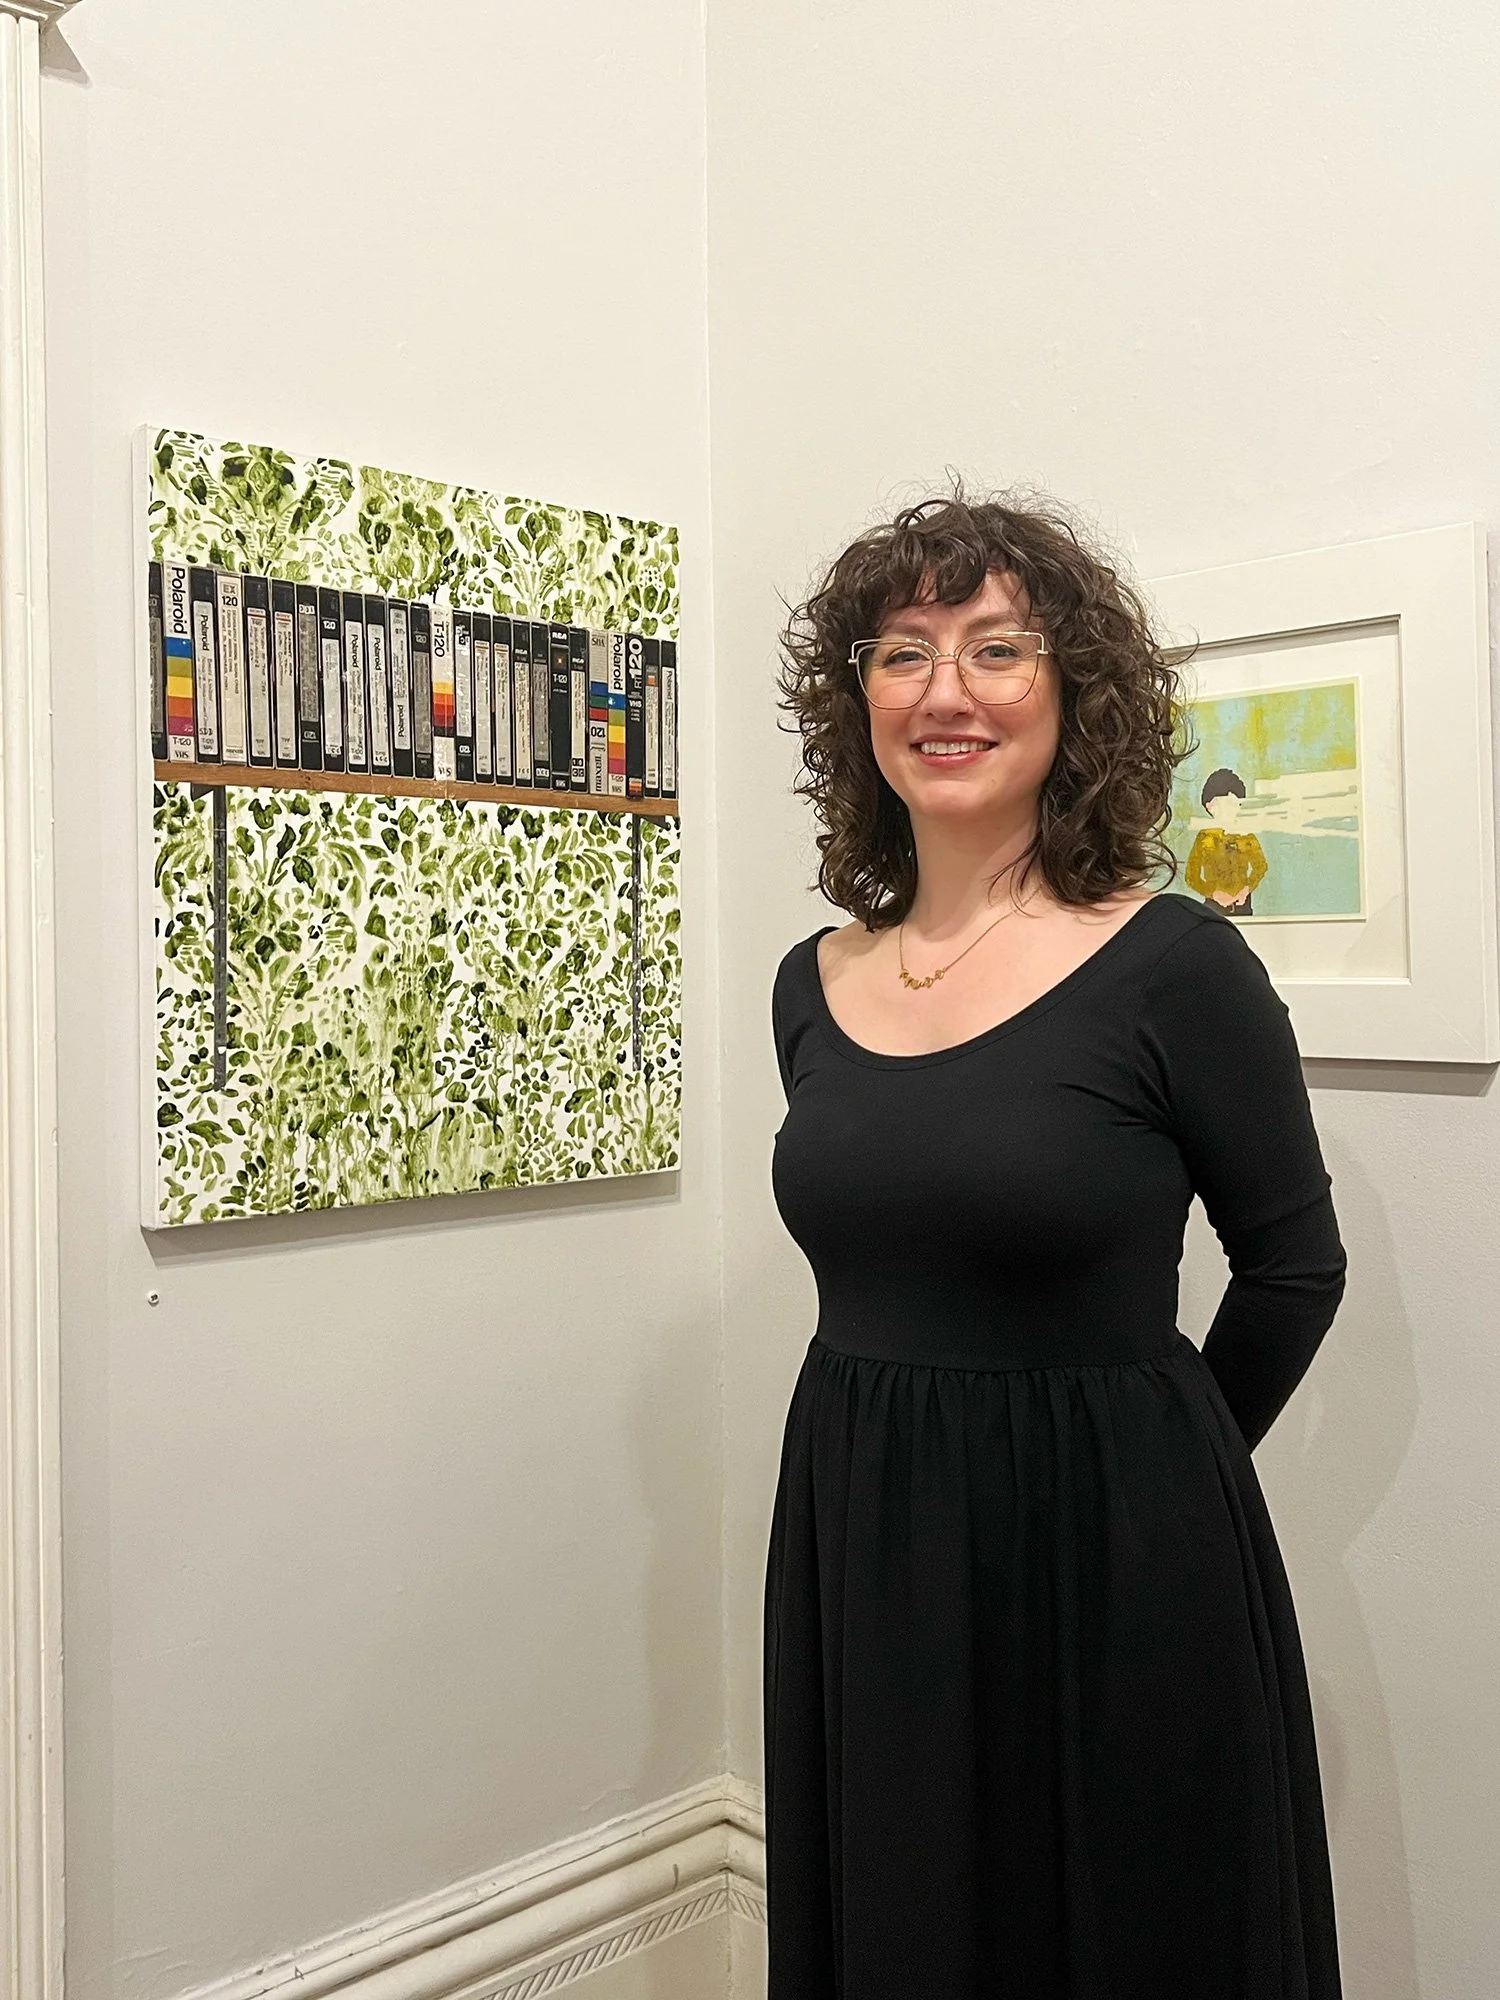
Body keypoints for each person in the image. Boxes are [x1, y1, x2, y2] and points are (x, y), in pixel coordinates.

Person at [763, 490, 1347, 1998]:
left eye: (997, 648)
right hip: (866, 1544)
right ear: (859, 703)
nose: (944, 690)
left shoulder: (1178, 970)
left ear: (1072, 692)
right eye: (903, 652)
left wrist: (1149, 1479)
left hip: (1114, 1569)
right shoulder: (809, 984)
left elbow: (1295, 1270)